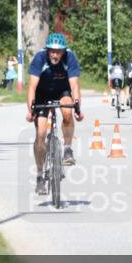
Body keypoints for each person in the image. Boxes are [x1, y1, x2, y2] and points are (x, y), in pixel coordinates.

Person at [26, 32, 84, 195]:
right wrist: (30, 111)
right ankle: (39, 176)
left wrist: (78, 107)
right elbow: (31, 87)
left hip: (62, 90)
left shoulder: (70, 58)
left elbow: (74, 86)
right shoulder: (39, 58)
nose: (55, 54)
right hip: (42, 93)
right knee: (41, 133)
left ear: (64, 51)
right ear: (47, 50)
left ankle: (67, 149)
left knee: (67, 111)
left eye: (58, 51)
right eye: (52, 51)